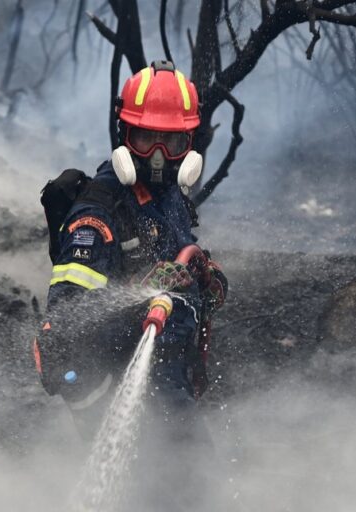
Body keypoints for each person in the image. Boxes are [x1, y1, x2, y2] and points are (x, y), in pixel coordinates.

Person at [35, 61, 228, 493]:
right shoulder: (97, 216)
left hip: (170, 378)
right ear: (124, 134)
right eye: (145, 139)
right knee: (191, 490)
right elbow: (69, 325)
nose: (159, 157)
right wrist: (143, 296)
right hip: (126, 393)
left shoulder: (167, 195)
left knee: (190, 488)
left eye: (172, 142)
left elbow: (181, 257)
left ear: (189, 142)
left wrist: (204, 276)